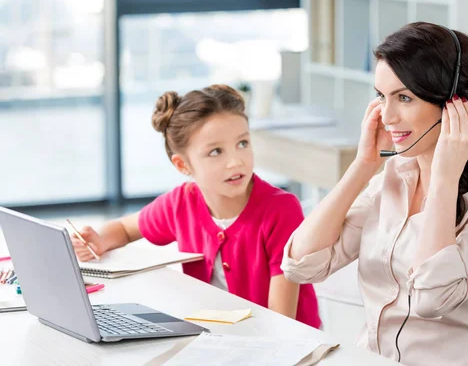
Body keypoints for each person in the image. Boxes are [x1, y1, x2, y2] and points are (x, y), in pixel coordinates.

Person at [281, 22, 468, 364]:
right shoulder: (395, 175)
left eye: (404, 98)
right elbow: (301, 265)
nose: (387, 116)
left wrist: (443, 179)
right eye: (380, 96)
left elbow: (432, 298)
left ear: (455, 104)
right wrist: (362, 166)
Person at [71, 84, 321, 329]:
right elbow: (126, 228)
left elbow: (282, 323)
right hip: (218, 337)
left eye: (242, 144)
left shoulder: (281, 209)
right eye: (216, 152)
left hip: (284, 345)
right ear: (183, 166)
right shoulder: (181, 203)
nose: (236, 162)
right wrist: (100, 240)